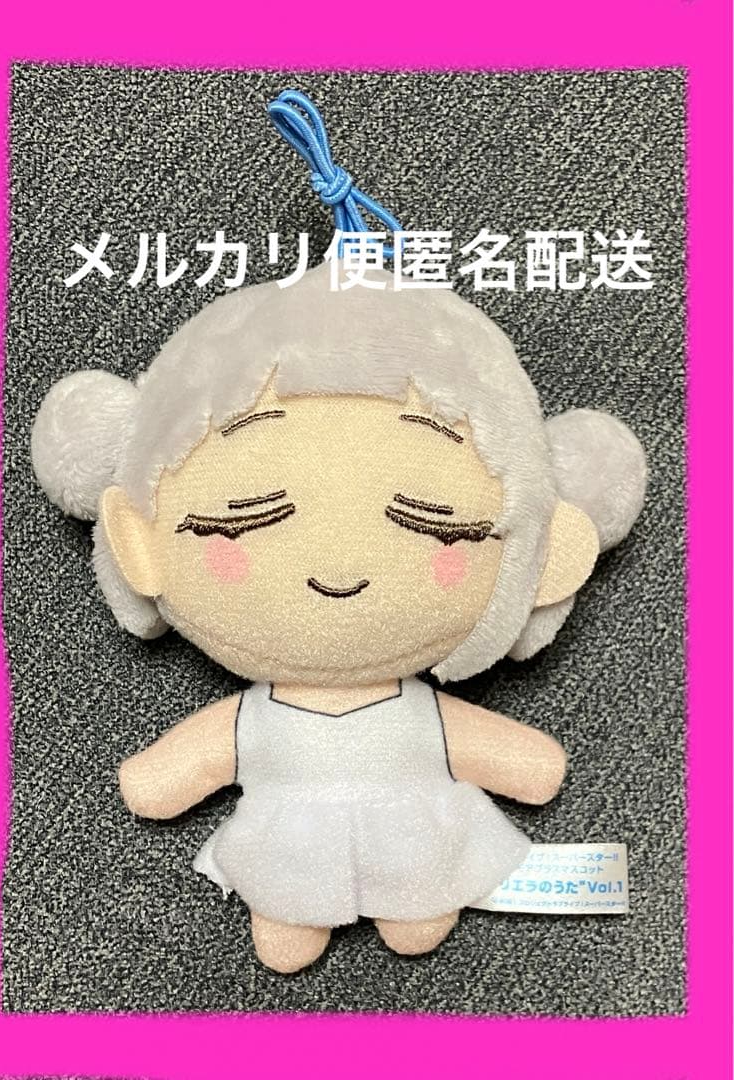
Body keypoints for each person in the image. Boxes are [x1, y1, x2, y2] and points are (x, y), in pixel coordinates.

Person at [32, 261, 647, 972]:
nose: (338, 568)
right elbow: (172, 776)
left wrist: (530, 765)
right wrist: (157, 779)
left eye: (434, 526)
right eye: (246, 520)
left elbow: (524, 766)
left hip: (418, 848)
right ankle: (301, 912)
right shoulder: (257, 720)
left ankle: (416, 901)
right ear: (140, 543)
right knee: (289, 924)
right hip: (285, 860)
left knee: (417, 914)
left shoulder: (399, 714)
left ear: (538, 556)